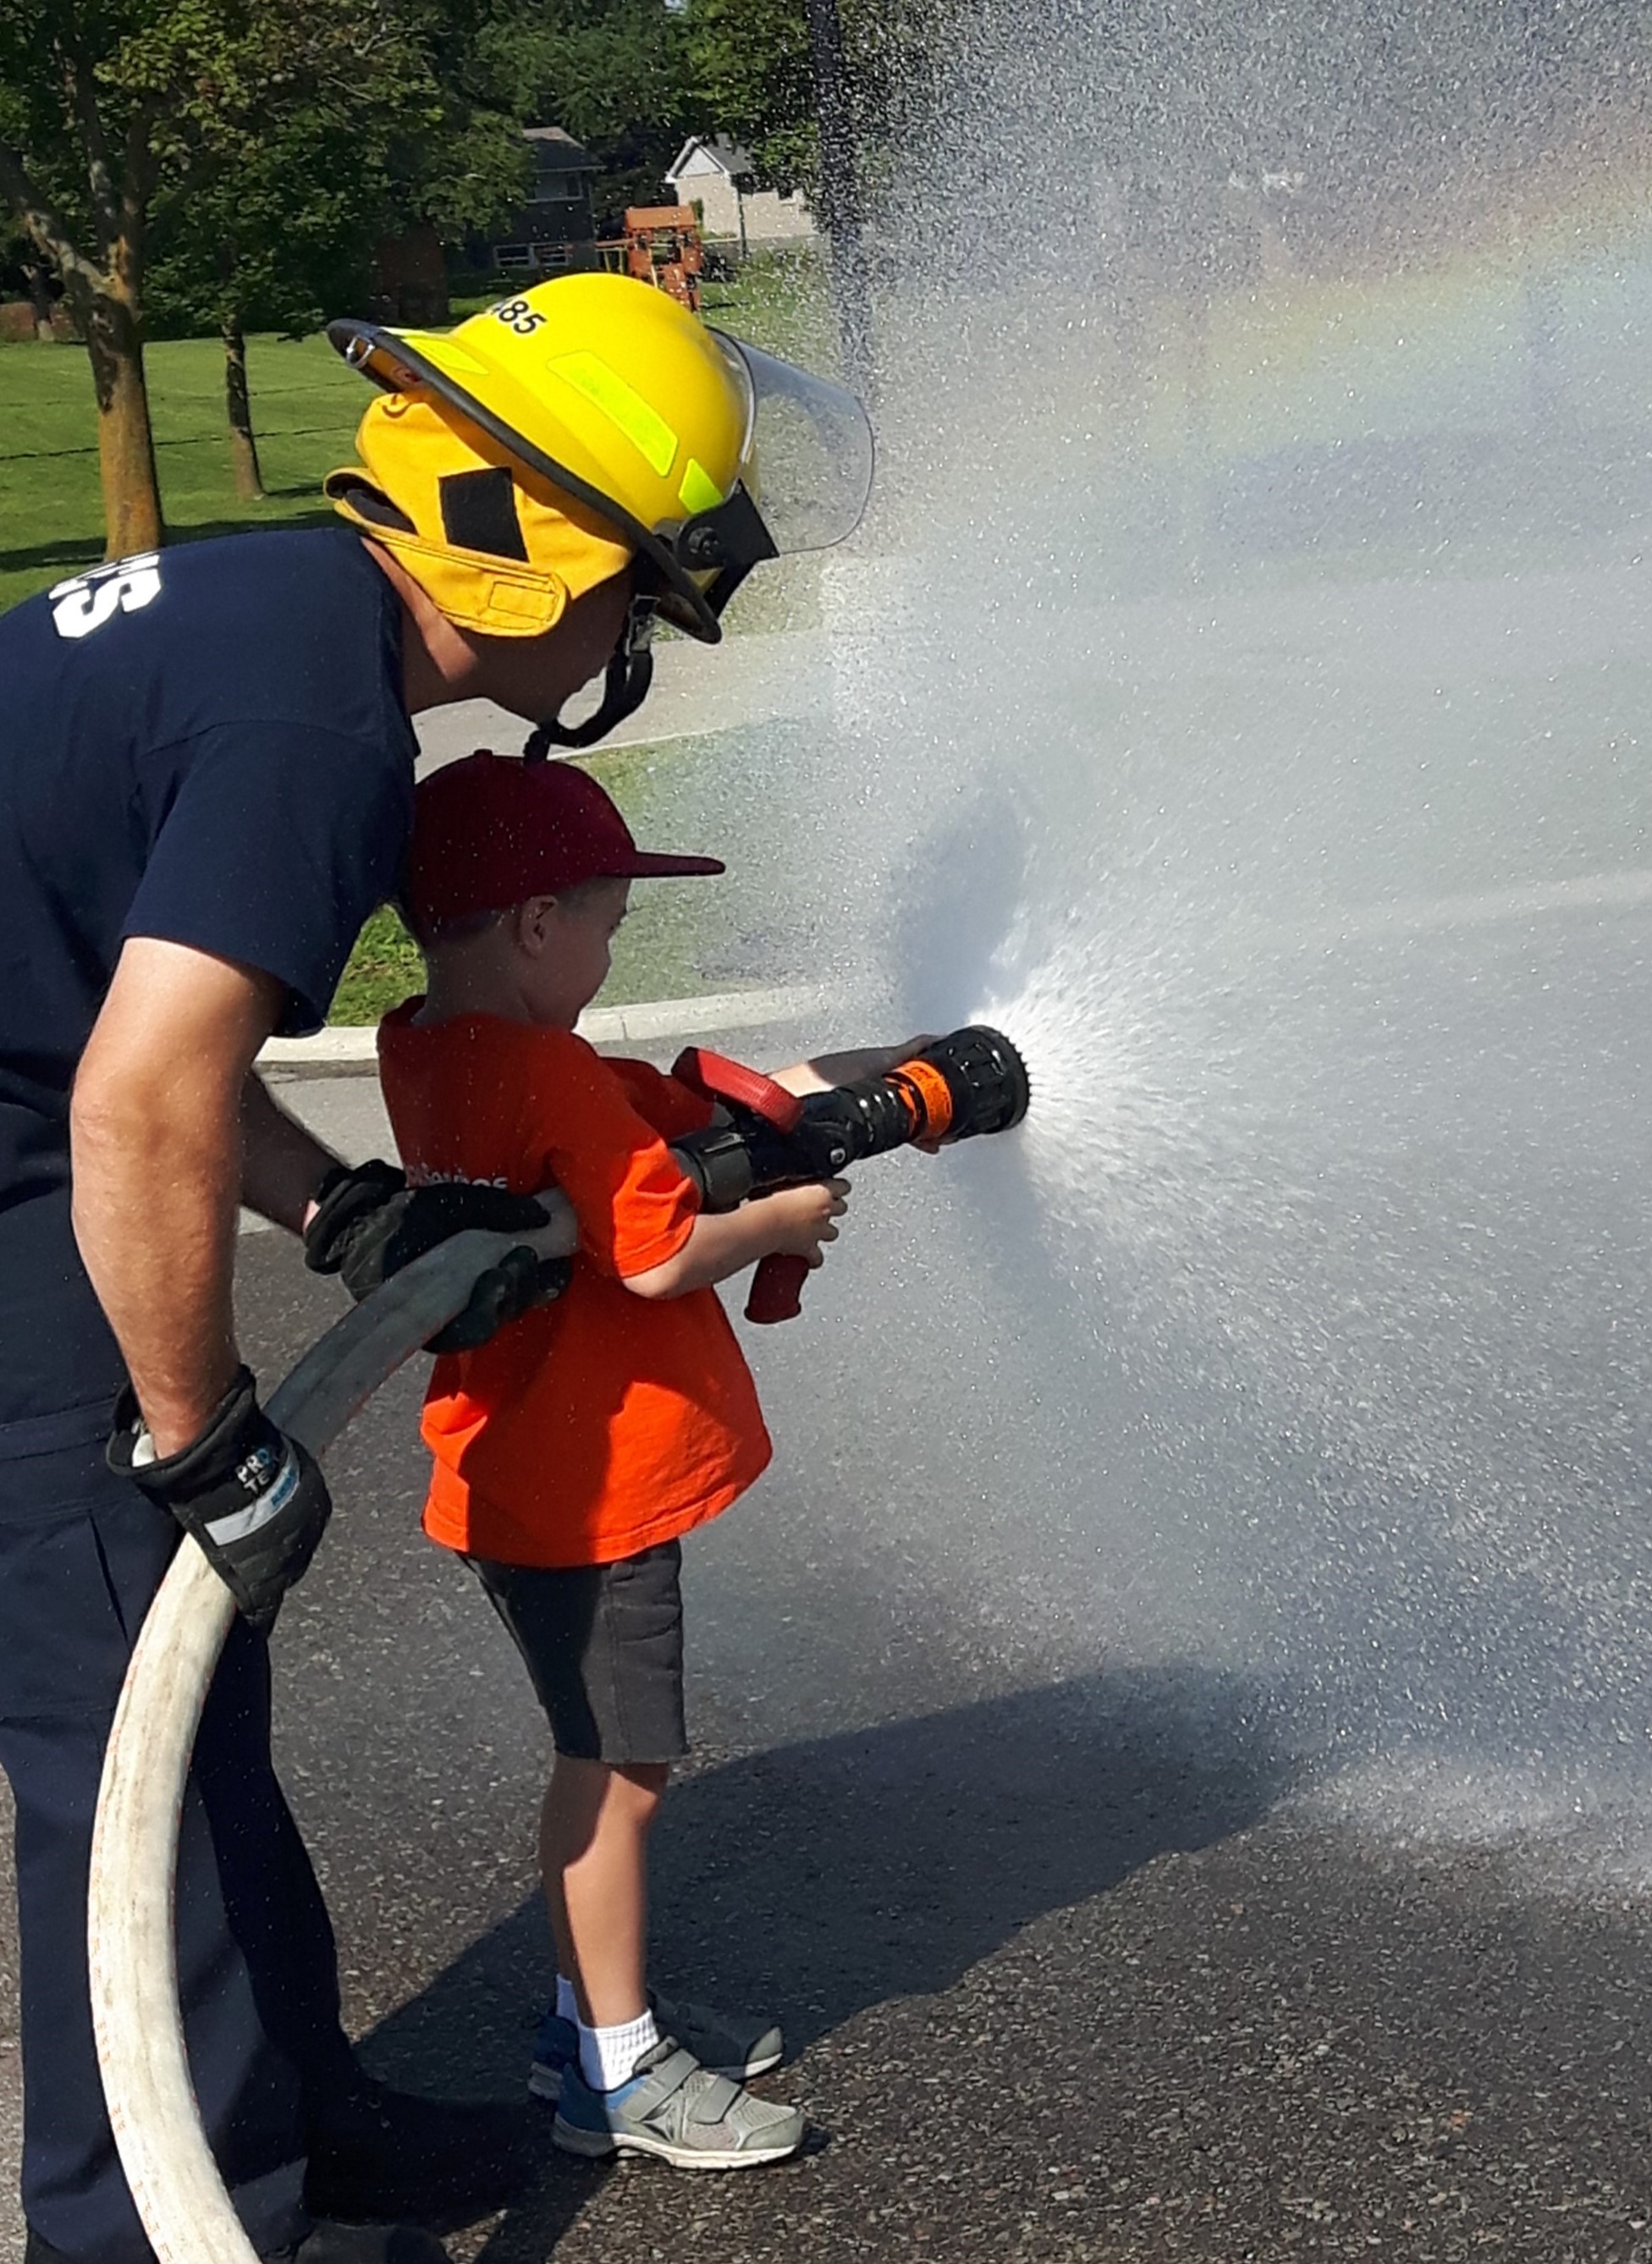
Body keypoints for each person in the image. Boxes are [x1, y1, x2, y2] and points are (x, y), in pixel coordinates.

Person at [0, 272, 873, 2264]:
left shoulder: (268, 618)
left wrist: (340, 1211)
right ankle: (151, 2218)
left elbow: (125, 1036)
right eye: (639, 597)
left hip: (25, 1106)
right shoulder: (318, 724)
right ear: (545, 548)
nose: (625, 643)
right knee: (117, 1698)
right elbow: (133, 1101)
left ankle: (293, 2122)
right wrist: (194, 1431)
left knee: (192, 1666)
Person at [377, 750, 921, 2172]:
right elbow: (663, 1242)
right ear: (537, 925)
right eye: (609, 923)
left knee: (593, 1756)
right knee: (617, 1771)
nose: (615, 951)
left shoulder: (428, 1048)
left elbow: (638, 1134)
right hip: (592, 1489)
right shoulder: (552, 1068)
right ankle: (618, 2075)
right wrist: (785, 1222)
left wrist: (869, 1084)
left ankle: (585, 2021)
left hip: (509, 1473)